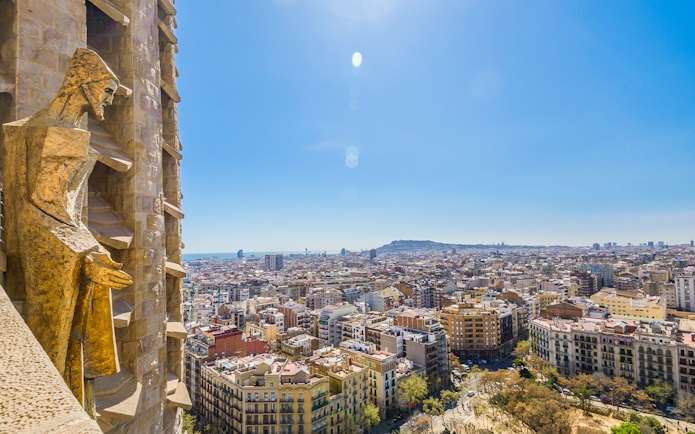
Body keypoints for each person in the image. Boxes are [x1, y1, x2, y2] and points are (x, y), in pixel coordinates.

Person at [3, 48, 132, 408]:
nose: (109, 98)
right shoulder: (60, 132)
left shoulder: (58, 128)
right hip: (49, 253)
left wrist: (90, 249)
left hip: (58, 243)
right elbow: (42, 208)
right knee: (55, 339)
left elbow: (54, 209)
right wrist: (90, 253)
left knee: (68, 336)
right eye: (106, 89)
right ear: (84, 83)